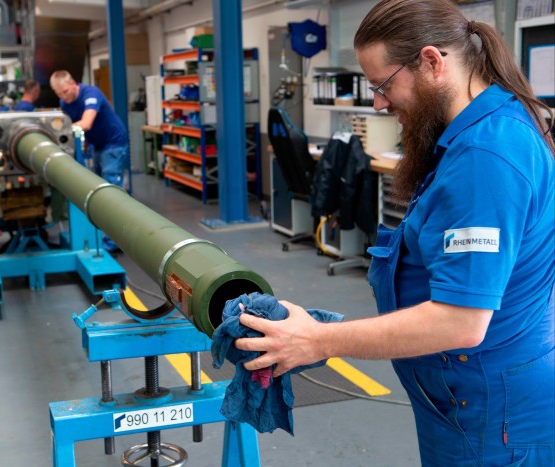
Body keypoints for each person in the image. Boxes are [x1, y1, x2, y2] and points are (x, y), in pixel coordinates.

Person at [236, 1, 555, 466]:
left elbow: (460, 322)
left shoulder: (486, 156)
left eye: (383, 85)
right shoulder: (472, 134)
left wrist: (319, 341)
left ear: (431, 62)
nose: (379, 103)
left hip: (491, 414)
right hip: (465, 399)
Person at [50, 70, 129, 252]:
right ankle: (105, 235)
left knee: (111, 194)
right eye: (59, 94)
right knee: (101, 191)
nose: (63, 97)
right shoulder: (64, 103)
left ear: (73, 84)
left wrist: (58, 131)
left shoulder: (91, 93)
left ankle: (112, 243)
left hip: (114, 143)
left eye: (65, 92)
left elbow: (86, 123)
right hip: (98, 145)